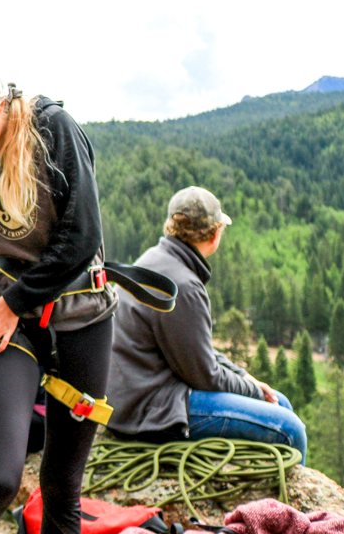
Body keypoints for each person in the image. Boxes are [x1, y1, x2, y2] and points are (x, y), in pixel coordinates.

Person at [0, 53, 115, 534]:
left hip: (81, 316)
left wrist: (12, 302)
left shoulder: (53, 130)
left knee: (63, 484)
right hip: (8, 323)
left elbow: (81, 238)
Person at [106, 187, 307, 460]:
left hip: (135, 397)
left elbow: (194, 351)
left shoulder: (155, 260)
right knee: (290, 429)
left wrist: (243, 376)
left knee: (280, 402)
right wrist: (254, 390)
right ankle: (278, 503)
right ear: (215, 235)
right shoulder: (185, 286)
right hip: (153, 409)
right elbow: (205, 375)